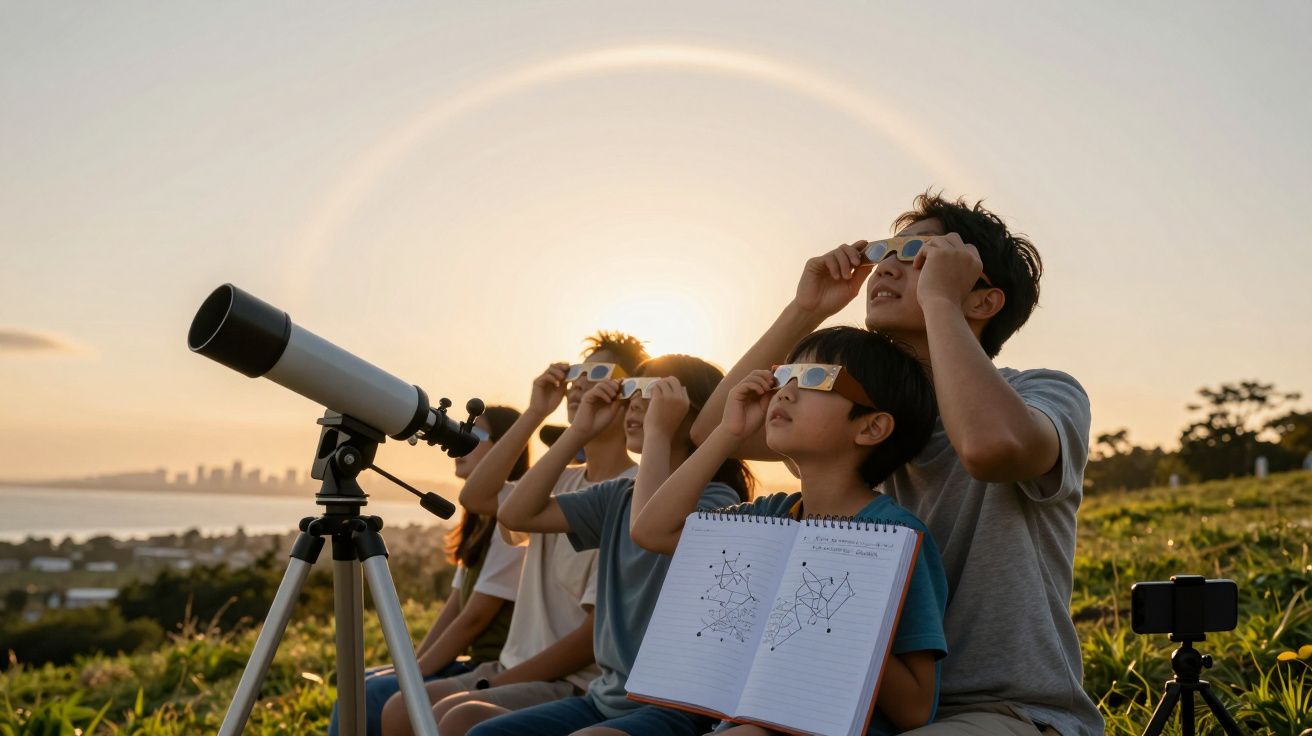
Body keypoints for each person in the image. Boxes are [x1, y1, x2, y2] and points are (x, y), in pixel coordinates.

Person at [691, 193, 1103, 735]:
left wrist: (940, 305)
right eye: (887, 250)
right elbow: (717, 428)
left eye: (921, 254)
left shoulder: (1042, 395)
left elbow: (987, 449)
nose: (887, 264)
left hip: (999, 710)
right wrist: (808, 308)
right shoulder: (854, 420)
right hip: (845, 699)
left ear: (981, 301)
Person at [633, 326, 947, 735]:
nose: (784, 391)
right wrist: (728, 432)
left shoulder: (895, 536)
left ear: (870, 428)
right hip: (739, 717)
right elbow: (653, 532)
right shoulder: (773, 516)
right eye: (784, 376)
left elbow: (916, 709)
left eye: (816, 378)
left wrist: (842, 619)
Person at [380, 332, 649, 736]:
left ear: (629, 391)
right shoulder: (559, 482)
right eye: (575, 373)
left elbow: (592, 635)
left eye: (597, 372)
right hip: (511, 665)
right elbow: (479, 496)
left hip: (573, 681)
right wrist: (535, 412)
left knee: (454, 718)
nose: (578, 384)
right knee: (401, 709)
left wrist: (501, 683)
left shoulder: (635, 491)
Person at [472, 354, 750, 736]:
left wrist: (657, 435)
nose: (635, 402)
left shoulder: (717, 502)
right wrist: (578, 432)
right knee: (477, 730)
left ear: (695, 414)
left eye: (655, 392)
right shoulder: (620, 495)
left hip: (672, 705)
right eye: (634, 390)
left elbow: (648, 526)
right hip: (605, 697)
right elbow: (515, 515)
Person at [329, 406, 528, 736]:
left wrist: (415, 673)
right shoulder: (477, 524)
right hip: (470, 660)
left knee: (371, 693)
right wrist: (411, 665)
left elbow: (473, 619)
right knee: (363, 681)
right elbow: (454, 606)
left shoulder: (512, 523)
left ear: (506, 448)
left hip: (489, 663)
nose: (463, 442)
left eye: (477, 434)